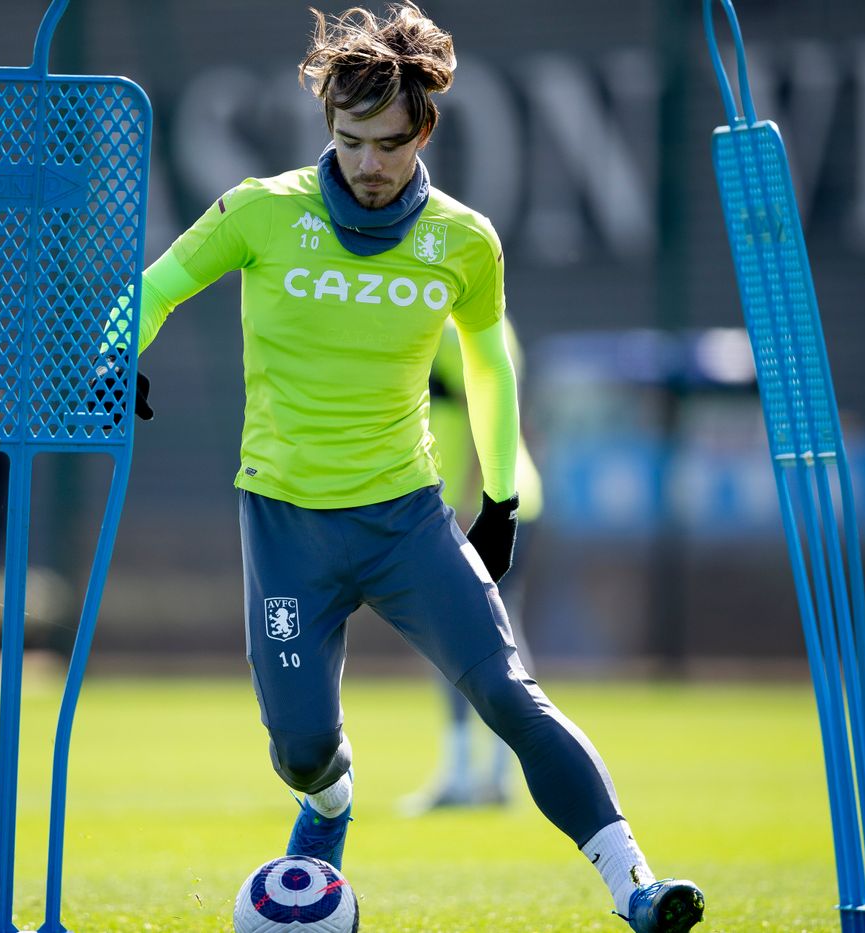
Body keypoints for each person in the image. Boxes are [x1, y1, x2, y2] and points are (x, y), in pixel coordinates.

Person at [97, 5, 704, 930]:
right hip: (287, 525)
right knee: (300, 749)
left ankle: (638, 886)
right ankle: (329, 803)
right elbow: (156, 287)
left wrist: (500, 493)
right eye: (350, 141)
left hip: (408, 521)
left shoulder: (464, 241)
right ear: (329, 129)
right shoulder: (264, 210)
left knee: (509, 692)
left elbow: (493, 363)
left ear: (423, 129)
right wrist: (113, 359)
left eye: (387, 143)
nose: (368, 164)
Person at [400, 317, 544, 813]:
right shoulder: (494, 321)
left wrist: (473, 504)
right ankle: (491, 773)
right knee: (498, 632)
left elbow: (486, 412)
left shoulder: (449, 324)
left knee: (463, 636)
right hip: (501, 497)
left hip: (474, 503)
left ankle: (472, 775)